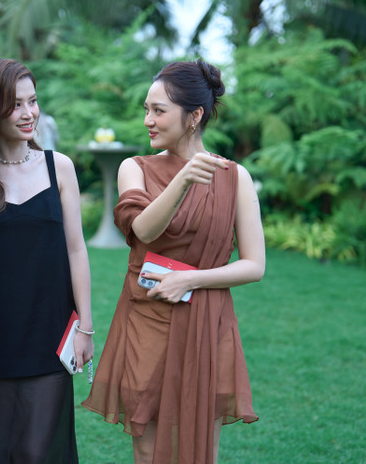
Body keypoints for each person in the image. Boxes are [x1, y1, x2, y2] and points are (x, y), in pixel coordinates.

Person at [82, 60, 266, 463]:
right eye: (146, 110)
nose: (147, 120)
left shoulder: (235, 177)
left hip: (208, 323)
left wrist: (192, 280)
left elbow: (255, 265)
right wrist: (184, 179)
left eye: (158, 110)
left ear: (193, 115)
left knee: (201, 442)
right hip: (147, 323)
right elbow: (143, 230)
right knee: (147, 447)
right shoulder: (134, 168)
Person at [0, 59, 94, 463]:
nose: (28, 113)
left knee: (39, 451)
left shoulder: (59, 167)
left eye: (32, 101)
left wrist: (85, 327)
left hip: (50, 330)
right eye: (15, 104)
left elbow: (76, 249)